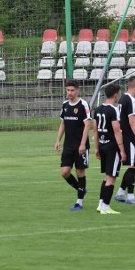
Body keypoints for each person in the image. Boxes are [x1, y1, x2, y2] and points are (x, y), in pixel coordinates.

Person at [54, 79, 91, 210]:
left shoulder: (83, 105)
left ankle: (79, 201)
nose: (69, 93)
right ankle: (81, 189)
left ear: (77, 90)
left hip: (80, 146)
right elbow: (63, 123)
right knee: (64, 172)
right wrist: (58, 140)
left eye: (72, 90)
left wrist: (82, 144)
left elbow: (87, 124)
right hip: (68, 146)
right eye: (68, 90)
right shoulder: (65, 105)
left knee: (80, 171)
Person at [92, 84, 125, 215]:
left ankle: (101, 204)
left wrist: (96, 148)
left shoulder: (98, 109)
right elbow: (117, 131)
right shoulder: (113, 110)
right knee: (111, 178)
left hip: (102, 145)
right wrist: (122, 149)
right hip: (112, 147)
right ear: (116, 94)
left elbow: (95, 130)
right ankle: (106, 207)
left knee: (106, 177)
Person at [115, 75, 135, 204]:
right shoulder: (130, 100)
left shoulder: (122, 98)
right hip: (129, 137)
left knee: (133, 165)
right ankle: (130, 196)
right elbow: (132, 122)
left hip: (124, 135)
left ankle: (121, 192)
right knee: (133, 165)